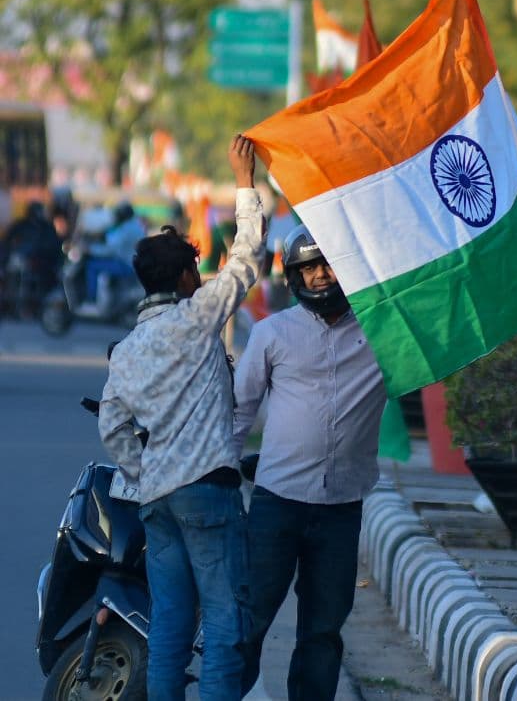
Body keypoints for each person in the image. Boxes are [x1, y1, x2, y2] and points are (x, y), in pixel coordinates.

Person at [98, 135, 265, 701]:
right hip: (207, 494)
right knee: (223, 621)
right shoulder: (197, 317)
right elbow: (247, 258)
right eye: (196, 267)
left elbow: (112, 426)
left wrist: (144, 472)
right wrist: (245, 182)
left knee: (169, 622)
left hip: (157, 499)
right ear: (187, 278)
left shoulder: (126, 350)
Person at [235, 225, 387, 701]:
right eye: (309, 268)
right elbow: (239, 410)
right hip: (275, 504)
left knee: (323, 631)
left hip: (342, 507)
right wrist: (217, 476)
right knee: (251, 620)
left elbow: (451, 334)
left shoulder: (383, 336)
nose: (321, 276)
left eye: (328, 264)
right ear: (293, 276)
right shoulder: (271, 333)